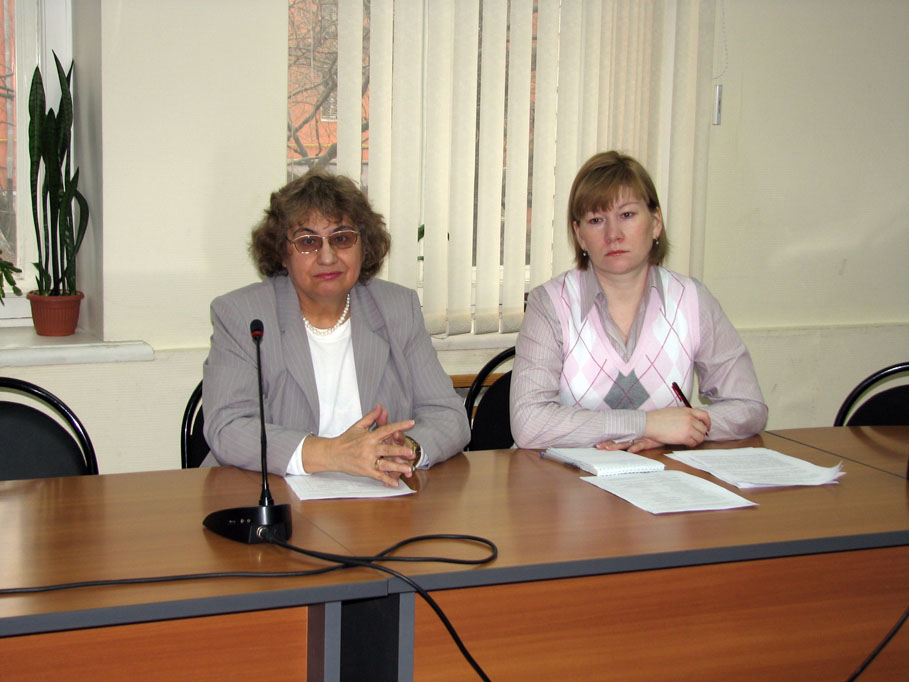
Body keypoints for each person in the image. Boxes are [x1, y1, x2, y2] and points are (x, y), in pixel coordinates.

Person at [202, 168, 470, 485]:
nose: (327, 257)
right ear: (282, 253)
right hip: (271, 491)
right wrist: (334, 454)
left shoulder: (397, 308)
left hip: (378, 496)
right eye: (308, 242)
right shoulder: (243, 314)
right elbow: (228, 427)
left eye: (341, 239)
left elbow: (448, 415)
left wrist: (406, 449)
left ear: (363, 247)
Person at [510, 151, 767, 452]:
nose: (613, 234)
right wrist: (646, 424)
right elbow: (529, 424)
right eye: (596, 220)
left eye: (627, 215)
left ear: (655, 223)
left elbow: (749, 407)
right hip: (563, 477)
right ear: (580, 236)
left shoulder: (692, 300)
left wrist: (678, 430)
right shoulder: (550, 304)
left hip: (661, 473)